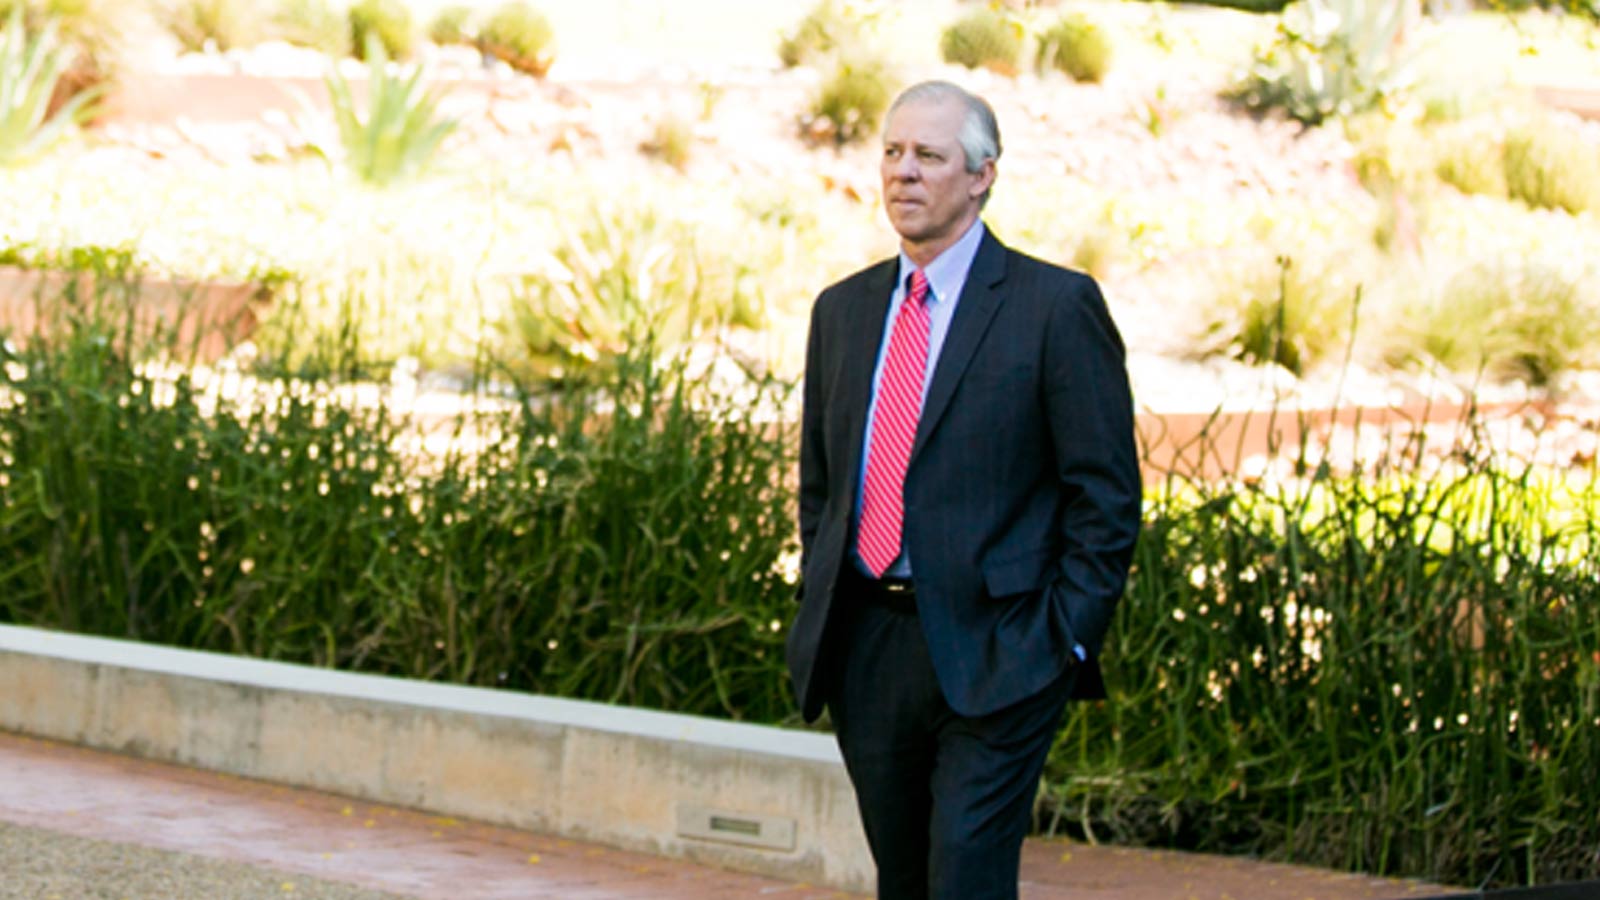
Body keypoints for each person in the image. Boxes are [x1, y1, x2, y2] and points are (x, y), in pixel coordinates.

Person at [786, 80, 1142, 900]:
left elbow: (1106, 497)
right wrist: (826, 594)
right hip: (869, 645)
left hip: (1004, 648)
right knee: (904, 881)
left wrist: (1063, 640)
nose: (903, 173)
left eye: (928, 156)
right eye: (892, 152)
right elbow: (822, 487)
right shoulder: (840, 312)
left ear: (981, 176)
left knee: (967, 880)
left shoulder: (1054, 307)